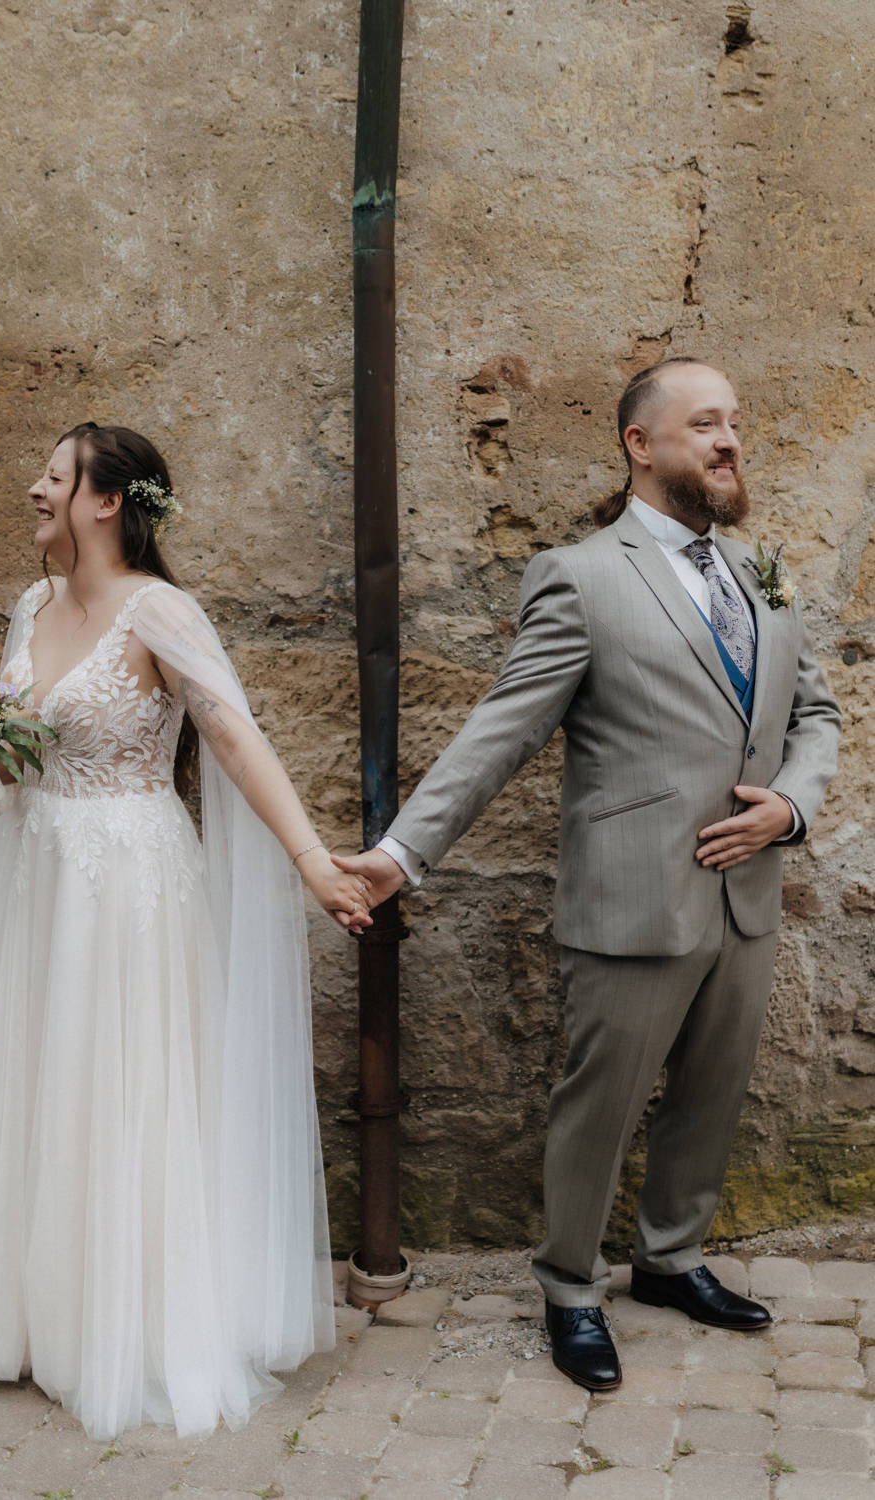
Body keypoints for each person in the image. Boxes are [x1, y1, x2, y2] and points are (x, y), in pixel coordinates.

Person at [334, 359, 841, 1391]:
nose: (727, 440)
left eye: (734, 422)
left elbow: (817, 719)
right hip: (629, 896)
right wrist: (399, 854)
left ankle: (670, 1259)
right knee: (599, 1104)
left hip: (744, 898)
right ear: (639, 444)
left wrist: (791, 808)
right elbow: (500, 733)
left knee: (710, 1094)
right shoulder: (581, 575)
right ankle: (570, 1286)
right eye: (704, 423)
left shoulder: (767, 574)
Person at [0, 423, 373, 1440]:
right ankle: (46, 1316)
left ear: (106, 502)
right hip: (41, 876)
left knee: (123, 1082)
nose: (34, 490)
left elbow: (231, 732)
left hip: (130, 882)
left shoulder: (160, 610)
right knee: (48, 1079)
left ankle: (134, 1325)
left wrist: (312, 858)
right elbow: (20, 749)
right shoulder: (30, 606)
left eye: (53, 476)